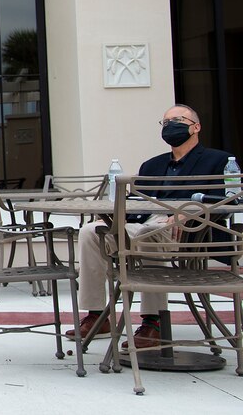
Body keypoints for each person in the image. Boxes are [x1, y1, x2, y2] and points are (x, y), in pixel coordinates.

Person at [66, 104, 231, 348]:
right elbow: (137, 203)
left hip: (189, 231)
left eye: (177, 120)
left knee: (148, 233)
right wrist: (113, 219)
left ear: (196, 127)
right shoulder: (152, 165)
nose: (170, 126)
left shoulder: (218, 160)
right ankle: (97, 316)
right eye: (165, 122)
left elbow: (227, 200)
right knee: (91, 232)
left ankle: (153, 322)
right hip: (146, 223)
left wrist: (189, 213)